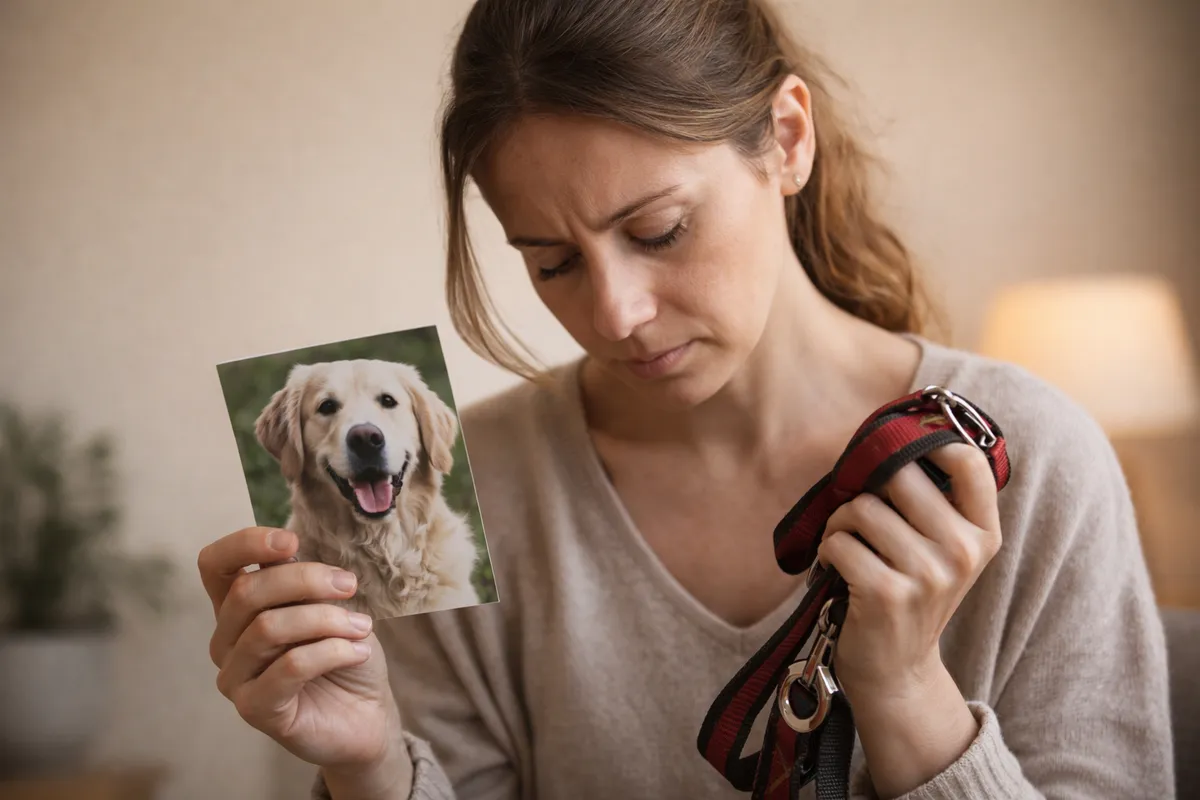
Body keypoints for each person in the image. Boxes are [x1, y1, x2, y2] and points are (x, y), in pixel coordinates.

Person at [197, 1, 1176, 798]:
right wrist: (368, 764)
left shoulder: (1039, 460)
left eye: (659, 229)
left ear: (788, 139)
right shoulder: (463, 493)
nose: (615, 312)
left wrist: (911, 694)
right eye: (552, 261)